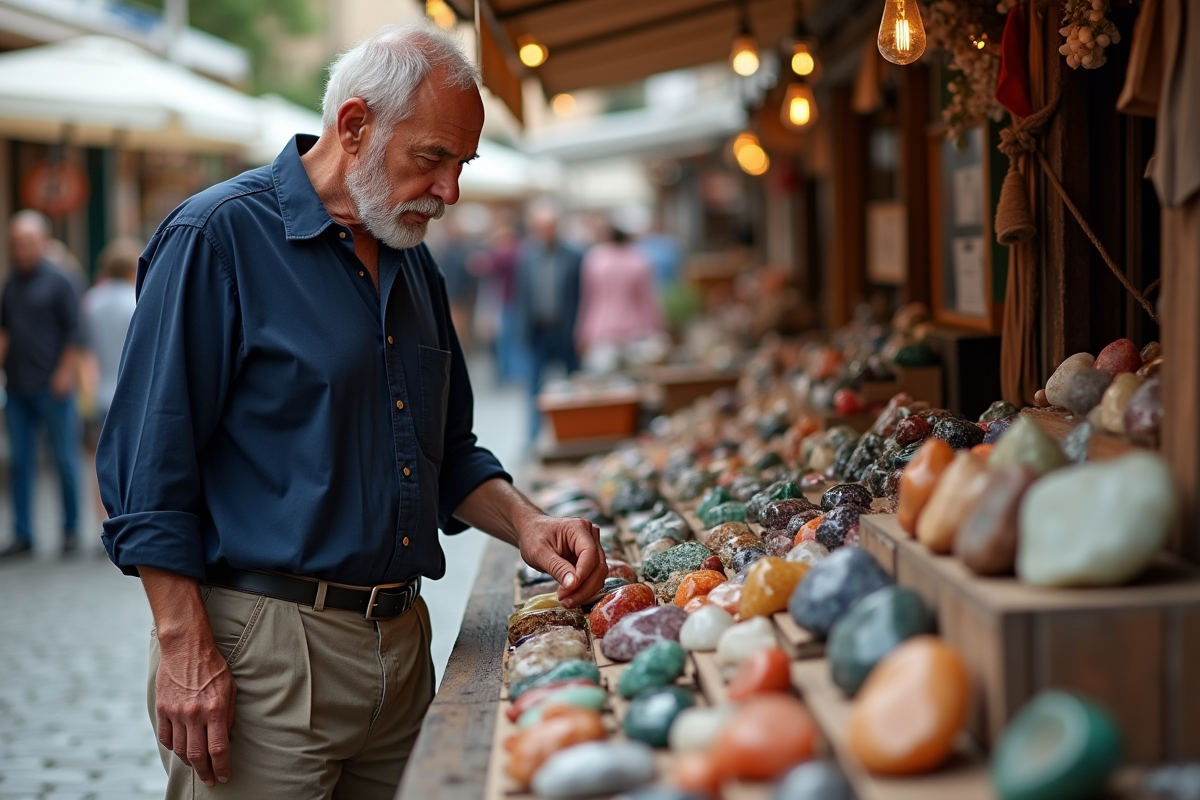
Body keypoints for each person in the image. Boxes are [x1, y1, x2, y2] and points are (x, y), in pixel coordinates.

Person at [95, 23, 605, 800]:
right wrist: (184, 647)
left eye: (461, 166)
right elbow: (145, 468)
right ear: (355, 124)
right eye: (431, 158)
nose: (450, 192)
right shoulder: (217, 237)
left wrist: (528, 524)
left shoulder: (411, 259)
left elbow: (450, 453)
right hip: (265, 657)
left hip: (404, 650)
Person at [0, 209, 83, 558]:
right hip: (17, 388)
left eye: (27, 242)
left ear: (43, 241)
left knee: (64, 461)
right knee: (21, 463)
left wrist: (64, 374)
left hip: (53, 387)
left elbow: (75, 333)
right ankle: (23, 535)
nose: (21, 248)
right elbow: (4, 332)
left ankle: (70, 532)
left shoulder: (61, 280)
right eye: (16, 243)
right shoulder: (10, 284)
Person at [80, 237, 140, 521]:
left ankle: (104, 520)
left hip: (101, 392)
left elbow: (85, 352)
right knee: (134, 460)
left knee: (101, 461)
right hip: (133, 393)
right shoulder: (136, 300)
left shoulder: (91, 301)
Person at [513, 202, 582, 441]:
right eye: (541, 227)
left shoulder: (575, 256)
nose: (546, 232)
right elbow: (522, 296)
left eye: (550, 227)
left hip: (567, 332)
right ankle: (533, 439)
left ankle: (575, 432)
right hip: (538, 331)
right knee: (534, 388)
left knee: (574, 384)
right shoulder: (527, 257)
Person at [575, 224, 664, 372]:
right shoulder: (639, 260)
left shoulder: (595, 260)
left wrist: (582, 333)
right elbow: (647, 301)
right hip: (635, 331)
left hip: (602, 331)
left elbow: (588, 300)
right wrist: (658, 329)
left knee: (606, 386)